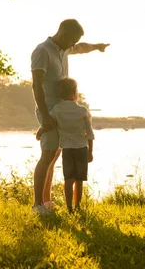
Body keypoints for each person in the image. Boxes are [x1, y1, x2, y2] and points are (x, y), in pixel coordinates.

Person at [30, 19, 109, 214]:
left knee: (55, 155)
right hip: (49, 108)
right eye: (71, 40)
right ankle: (37, 205)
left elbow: (81, 47)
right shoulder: (42, 51)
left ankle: (46, 201)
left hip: (63, 109)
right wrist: (46, 117)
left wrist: (97, 47)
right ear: (62, 32)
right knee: (47, 154)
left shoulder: (64, 48)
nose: (72, 46)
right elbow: (36, 85)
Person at [36, 77, 94, 213]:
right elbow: (90, 134)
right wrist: (90, 152)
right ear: (74, 93)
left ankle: (69, 208)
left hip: (67, 149)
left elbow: (49, 122)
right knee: (79, 179)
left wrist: (40, 131)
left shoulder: (56, 109)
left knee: (68, 179)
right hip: (81, 149)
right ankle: (77, 206)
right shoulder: (82, 111)